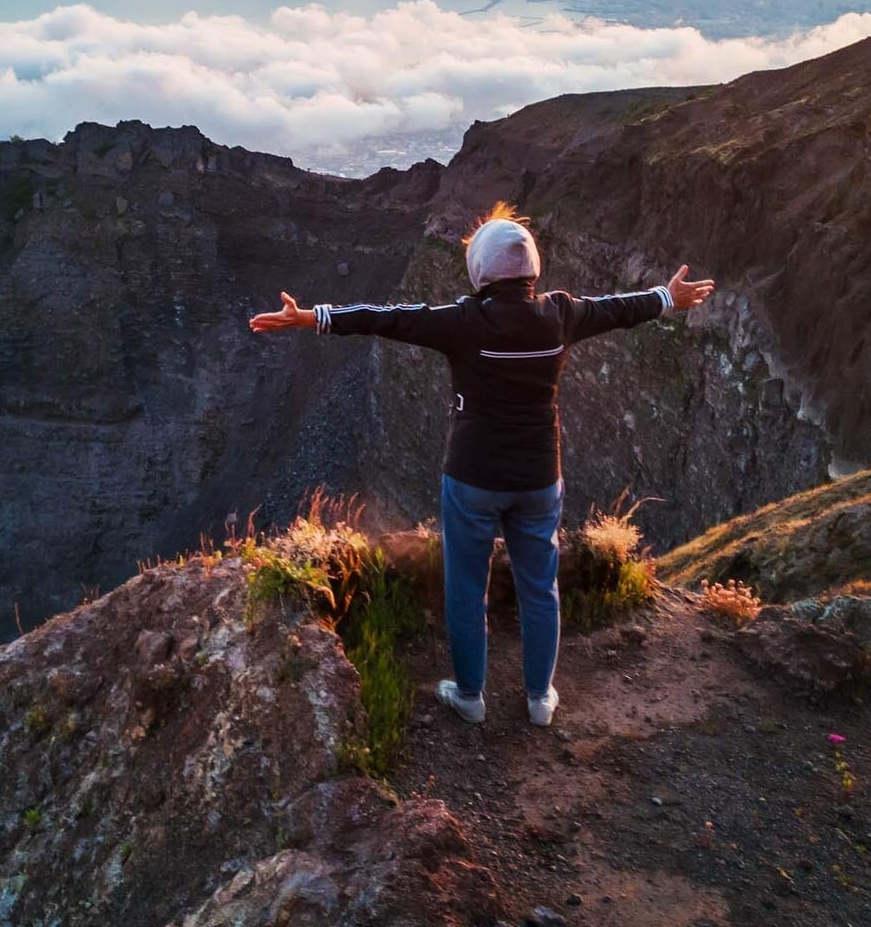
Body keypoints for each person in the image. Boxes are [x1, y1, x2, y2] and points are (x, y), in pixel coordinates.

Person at [250, 203, 715, 727]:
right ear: (531, 269)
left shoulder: (463, 322)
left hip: (472, 477)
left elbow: (390, 318)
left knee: (466, 588)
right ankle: (540, 699)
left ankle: (470, 696)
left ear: (481, 272)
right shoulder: (560, 314)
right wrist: (667, 299)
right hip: (540, 478)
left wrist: (312, 317)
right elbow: (617, 308)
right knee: (541, 587)